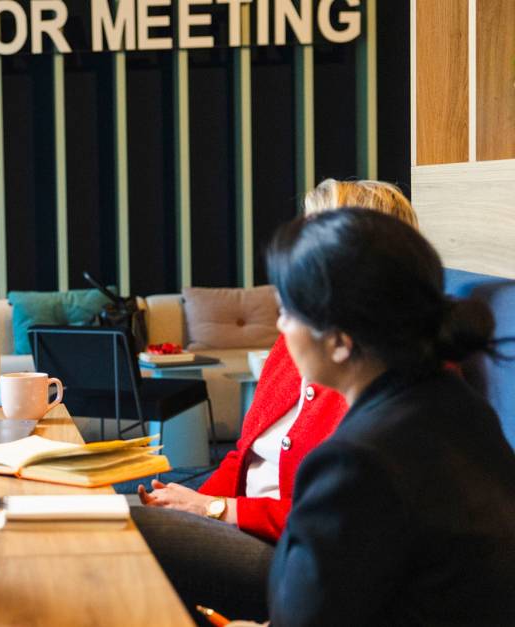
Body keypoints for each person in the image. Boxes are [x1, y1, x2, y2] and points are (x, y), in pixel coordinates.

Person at [132, 179, 419, 621]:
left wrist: (214, 510)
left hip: (300, 556)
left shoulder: (388, 370)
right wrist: (189, 507)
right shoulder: (297, 339)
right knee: (112, 516)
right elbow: (243, 458)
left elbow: (343, 523)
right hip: (247, 525)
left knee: (137, 534)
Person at [265, 208, 515, 624]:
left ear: (341, 342)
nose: (279, 324)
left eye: (287, 312)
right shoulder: (459, 404)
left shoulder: (356, 461)